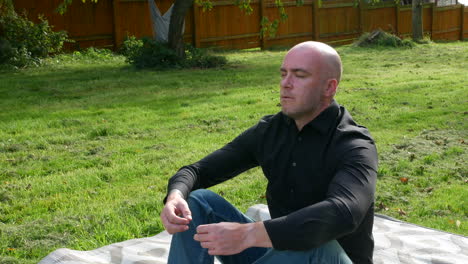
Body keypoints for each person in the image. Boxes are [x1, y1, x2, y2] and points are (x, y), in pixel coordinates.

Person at [160, 41, 378, 264]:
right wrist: (175, 195)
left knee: (316, 244)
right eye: (283, 74)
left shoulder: (354, 144)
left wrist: (248, 234)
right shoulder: (271, 131)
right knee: (199, 202)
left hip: (329, 258)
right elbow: (199, 170)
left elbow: (344, 212)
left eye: (299, 75)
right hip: (279, 255)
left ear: (329, 88)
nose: (286, 83)